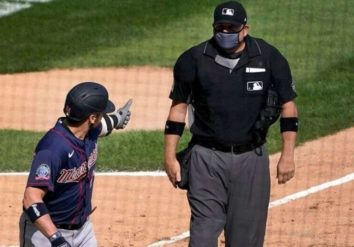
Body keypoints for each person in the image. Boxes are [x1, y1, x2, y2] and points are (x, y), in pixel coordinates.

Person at [164, 1, 298, 246]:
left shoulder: (267, 57)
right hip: (206, 159)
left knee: (244, 239)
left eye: (231, 27)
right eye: (220, 27)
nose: (225, 32)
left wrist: (287, 155)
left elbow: (288, 106)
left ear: (245, 29)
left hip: (251, 159)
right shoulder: (193, 59)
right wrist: (169, 156)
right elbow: (178, 108)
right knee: (202, 236)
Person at [19, 81, 132, 247]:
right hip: (46, 234)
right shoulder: (52, 149)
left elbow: (104, 126)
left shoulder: (89, 129)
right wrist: (56, 240)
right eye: (101, 113)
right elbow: (31, 198)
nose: (103, 116)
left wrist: (118, 118)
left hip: (83, 230)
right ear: (92, 118)